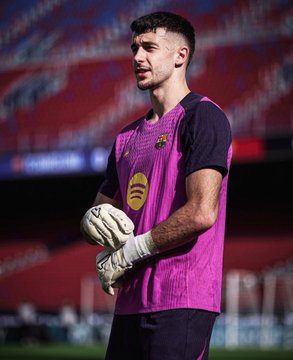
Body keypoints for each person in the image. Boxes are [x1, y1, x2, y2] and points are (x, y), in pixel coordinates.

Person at [81, 11, 232, 360]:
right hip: (129, 304)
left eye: (149, 47)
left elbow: (201, 212)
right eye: (134, 48)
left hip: (182, 300)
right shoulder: (125, 137)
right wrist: (89, 222)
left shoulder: (203, 116)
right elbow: (100, 214)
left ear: (181, 55)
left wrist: (129, 252)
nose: (137, 57)